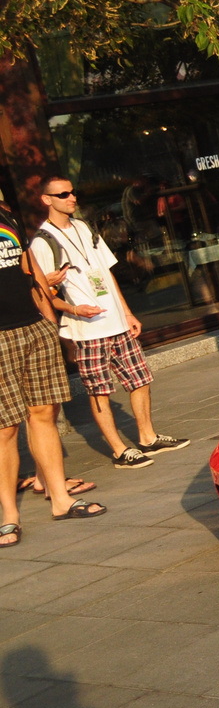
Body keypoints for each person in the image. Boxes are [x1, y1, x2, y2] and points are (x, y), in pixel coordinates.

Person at [29, 177, 189, 470]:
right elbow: (43, 293)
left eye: (72, 192)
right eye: (63, 194)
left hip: (115, 321)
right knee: (99, 389)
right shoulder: (42, 242)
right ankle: (119, 450)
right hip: (87, 330)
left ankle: (147, 436)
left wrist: (127, 312)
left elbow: (106, 273)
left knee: (140, 379)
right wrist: (75, 309)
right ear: (47, 200)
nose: (71, 197)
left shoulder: (84, 228)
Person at [0, 197, 107, 545]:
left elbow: (30, 275)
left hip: (33, 327)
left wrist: (49, 322)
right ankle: (10, 516)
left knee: (43, 413)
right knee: (5, 429)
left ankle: (60, 500)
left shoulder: (7, 217)